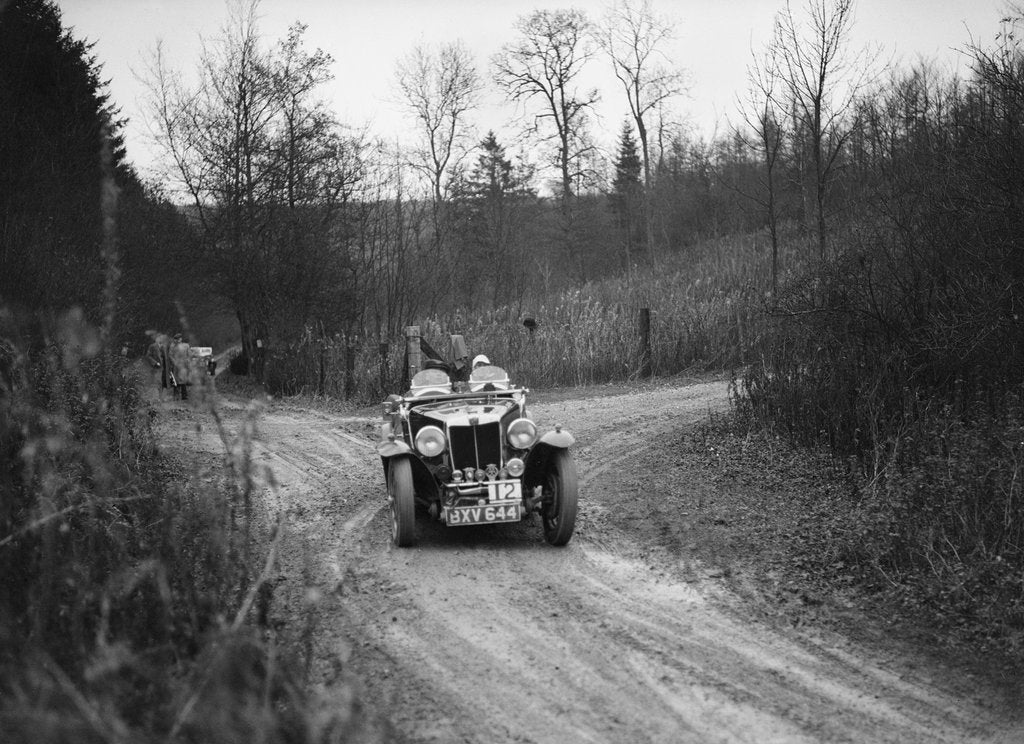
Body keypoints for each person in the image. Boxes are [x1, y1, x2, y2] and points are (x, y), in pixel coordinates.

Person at [168, 332, 192, 400]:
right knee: (176, 381)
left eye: (177, 339)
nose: (175, 340)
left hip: (183, 365)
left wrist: (187, 361)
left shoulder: (186, 346)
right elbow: (170, 355)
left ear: (180, 339)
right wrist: (174, 362)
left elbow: (189, 354)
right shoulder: (172, 346)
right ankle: (176, 396)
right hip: (176, 366)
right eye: (175, 339)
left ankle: (184, 396)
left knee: (183, 381)